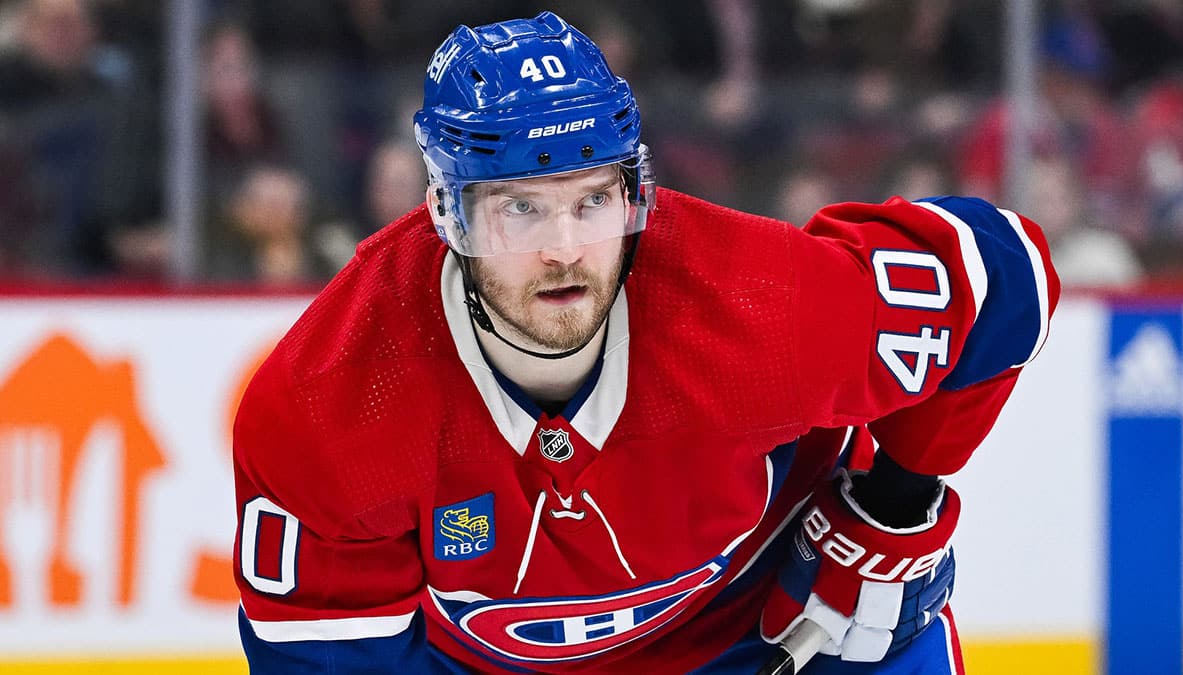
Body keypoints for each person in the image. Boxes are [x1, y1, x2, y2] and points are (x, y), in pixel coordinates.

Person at [232, 12, 1059, 674]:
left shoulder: (753, 307)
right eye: (520, 208)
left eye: (593, 201)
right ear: (449, 213)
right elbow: (328, 653)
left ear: (636, 195)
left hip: (776, 630)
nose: (563, 247)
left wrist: (892, 505)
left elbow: (1005, 277)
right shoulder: (331, 402)